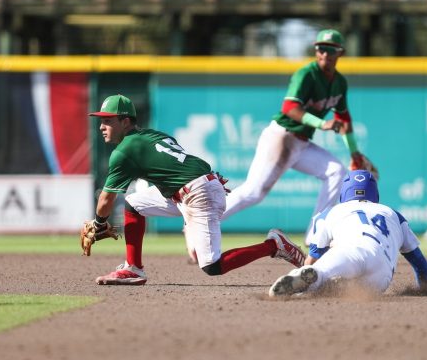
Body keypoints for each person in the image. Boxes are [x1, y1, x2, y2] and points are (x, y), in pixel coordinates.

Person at [88, 94, 305, 285]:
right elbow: (182, 163)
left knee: (212, 265)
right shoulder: (153, 135)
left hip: (197, 194)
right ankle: (133, 268)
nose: (101, 127)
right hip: (191, 189)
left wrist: (98, 224)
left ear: (125, 121)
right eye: (101, 121)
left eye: (107, 120)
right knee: (134, 203)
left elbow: (107, 198)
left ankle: (273, 245)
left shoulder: (124, 151)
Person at [222, 29, 368, 242]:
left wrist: (354, 152)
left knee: (336, 171)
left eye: (331, 49)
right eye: (321, 48)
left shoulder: (339, 82)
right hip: (281, 137)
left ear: (340, 53)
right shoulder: (306, 74)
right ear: (316, 50)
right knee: (254, 192)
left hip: (301, 143)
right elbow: (290, 107)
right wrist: (321, 123)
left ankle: (316, 237)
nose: (325, 54)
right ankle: (201, 221)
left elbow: (344, 119)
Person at [269, 170, 427, 297]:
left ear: (344, 192)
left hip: (350, 251)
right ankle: (336, 286)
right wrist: (424, 289)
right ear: (375, 193)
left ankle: (311, 281)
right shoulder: (393, 214)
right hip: (382, 271)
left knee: (318, 274)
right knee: (350, 290)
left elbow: (312, 259)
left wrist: (308, 268)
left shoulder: (331, 212)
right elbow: (420, 264)